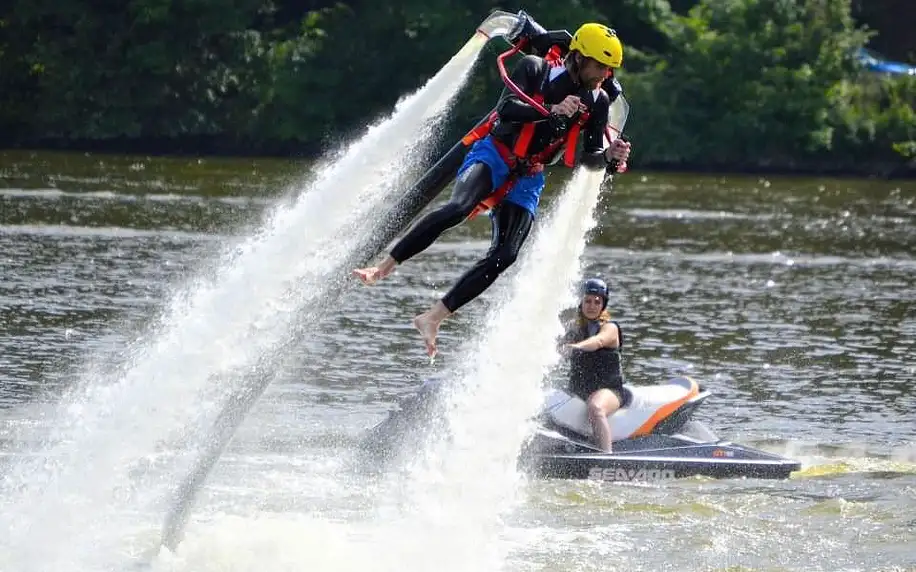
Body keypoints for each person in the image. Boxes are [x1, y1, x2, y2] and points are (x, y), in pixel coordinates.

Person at [353, 22, 632, 357]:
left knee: (506, 254)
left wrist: (611, 159)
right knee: (458, 208)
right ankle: (383, 267)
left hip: (529, 175)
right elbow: (507, 108)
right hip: (495, 153)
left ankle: (434, 317)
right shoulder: (536, 68)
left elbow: (589, 158)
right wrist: (551, 112)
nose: (605, 73)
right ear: (578, 57)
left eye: (609, 68)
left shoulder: (597, 101)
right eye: (600, 65)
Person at [559, 277, 630, 452]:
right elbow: (554, 346)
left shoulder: (610, 328)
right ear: (581, 303)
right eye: (587, 301)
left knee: (595, 408)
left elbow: (597, 342)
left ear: (603, 305)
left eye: (597, 302)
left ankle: (606, 457)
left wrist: (575, 347)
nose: (592, 306)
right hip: (580, 389)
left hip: (609, 390)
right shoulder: (574, 330)